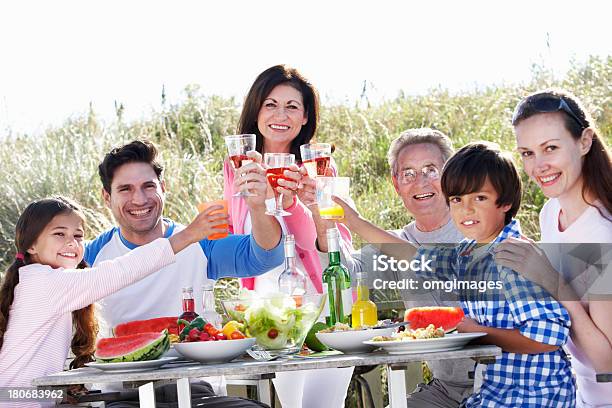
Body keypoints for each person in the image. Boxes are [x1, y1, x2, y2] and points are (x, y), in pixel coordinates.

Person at [335, 142, 575, 407]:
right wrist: (354, 222)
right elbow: (414, 256)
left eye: (479, 198)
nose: (466, 210)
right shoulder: (468, 252)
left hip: (531, 396)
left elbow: (547, 340)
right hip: (493, 392)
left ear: (505, 202)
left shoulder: (512, 257)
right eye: (457, 200)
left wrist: (479, 331)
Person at [85, 139, 283, 406]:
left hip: (199, 392)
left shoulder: (199, 241)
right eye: (125, 189)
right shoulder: (91, 256)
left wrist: (259, 207)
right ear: (106, 197)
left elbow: (265, 256)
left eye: (148, 186)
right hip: (122, 396)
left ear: (163, 188)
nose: (139, 199)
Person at [0, 196, 228, 397]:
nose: (72, 242)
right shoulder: (44, 282)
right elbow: (119, 271)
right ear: (31, 245)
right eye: (59, 234)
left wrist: (60, 396)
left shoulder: (37, 279)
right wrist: (187, 236)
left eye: (78, 235)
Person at [314, 128, 474, 407]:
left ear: (450, 177)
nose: (420, 182)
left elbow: (429, 264)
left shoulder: (476, 227)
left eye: (430, 170)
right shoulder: (394, 242)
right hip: (446, 390)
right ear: (396, 184)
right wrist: (323, 219)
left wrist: (357, 222)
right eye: (408, 174)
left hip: (499, 379)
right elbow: (346, 275)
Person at [224, 64, 353, 407]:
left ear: (306, 116)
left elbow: (337, 246)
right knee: (295, 404)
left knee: (324, 404)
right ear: (256, 110)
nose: (281, 115)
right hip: (269, 303)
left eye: (292, 106)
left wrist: (316, 208)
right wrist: (262, 199)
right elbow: (242, 236)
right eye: (270, 104)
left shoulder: (319, 166)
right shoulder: (237, 166)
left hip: (324, 299)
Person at [495, 89, 612, 407]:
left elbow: (606, 363)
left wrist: (550, 280)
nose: (539, 166)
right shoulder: (552, 214)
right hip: (581, 396)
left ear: (584, 141)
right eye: (527, 153)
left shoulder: (598, 236)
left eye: (551, 148)